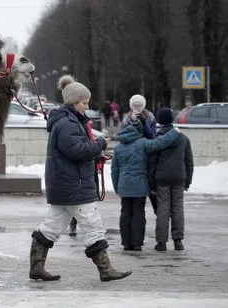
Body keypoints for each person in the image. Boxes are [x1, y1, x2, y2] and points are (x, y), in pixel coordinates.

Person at [29, 75, 131, 282]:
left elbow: (75, 151)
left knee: (50, 227)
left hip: (65, 185)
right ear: (74, 102)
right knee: (92, 225)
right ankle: (106, 270)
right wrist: (100, 145)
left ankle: (36, 267)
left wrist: (94, 154)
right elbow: (76, 150)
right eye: (84, 103)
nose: (87, 106)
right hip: (74, 185)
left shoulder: (69, 121)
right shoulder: (68, 123)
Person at [111, 111, 179, 251]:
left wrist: (117, 187)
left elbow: (114, 171)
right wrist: (173, 133)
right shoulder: (142, 143)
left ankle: (126, 243)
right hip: (139, 186)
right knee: (138, 214)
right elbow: (159, 143)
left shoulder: (118, 148)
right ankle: (136, 244)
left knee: (125, 214)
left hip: (124, 186)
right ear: (139, 130)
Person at [148, 107, 194, 251]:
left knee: (163, 208)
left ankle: (161, 242)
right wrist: (188, 181)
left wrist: (151, 182)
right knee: (178, 208)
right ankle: (178, 241)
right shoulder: (183, 138)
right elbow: (189, 162)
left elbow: (152, 163)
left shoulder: (157, 138)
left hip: (161, 178)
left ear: (160, 121)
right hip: (179, 178)